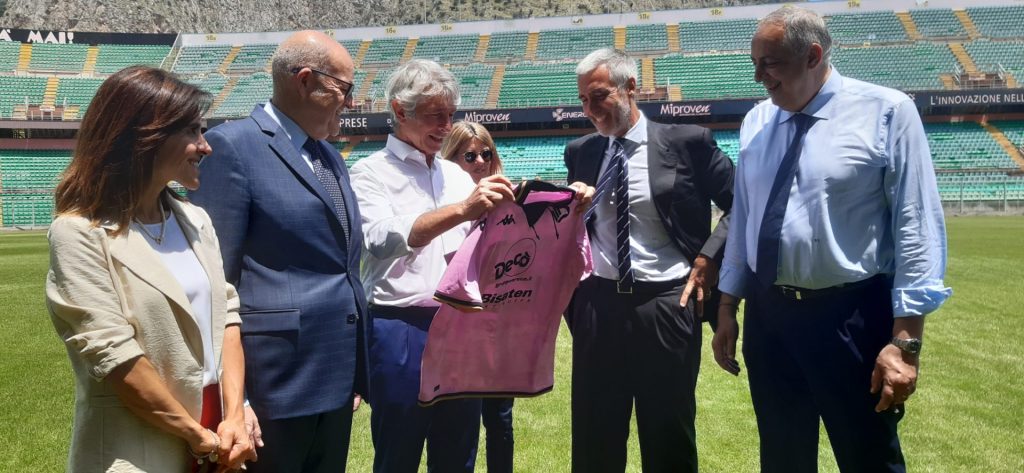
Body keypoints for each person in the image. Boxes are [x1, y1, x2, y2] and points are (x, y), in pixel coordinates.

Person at [711, 6, 952, 473]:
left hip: (850, 316)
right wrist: (727, 306)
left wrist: (906, 342)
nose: (758, 77)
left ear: (813, 55)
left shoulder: (887, 111)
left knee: (868, 457)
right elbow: (744, 220)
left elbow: (916, 226)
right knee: (782, 457)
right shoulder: (757, 121)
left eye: (770, 63)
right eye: (755, 63)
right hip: (769, 318)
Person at [45, 66, 256, 472]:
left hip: (218, 434)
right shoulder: (78, 234)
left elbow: (227, 316)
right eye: (192, 131)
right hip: (136, 449)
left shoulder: (196, 220)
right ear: (145, 136)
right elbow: (114, 356)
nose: (206, 146)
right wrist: (198, 438)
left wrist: (234, 415)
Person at [189, 31, 369, 472]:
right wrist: (239, 400)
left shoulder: (330, 157)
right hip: (272, 388)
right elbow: (215, 280)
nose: (350, 102)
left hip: (333, 377)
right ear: (305, 81)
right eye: (344, 88)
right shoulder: (232, 147)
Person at [564, 48, 734, 473]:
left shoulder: (688, 142)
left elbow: (742, 205)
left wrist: (709, 257)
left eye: (599, 96)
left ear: (630, 88)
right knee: (594, 436)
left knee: (668, 435)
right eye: (583, 100)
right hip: (598, 305)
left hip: (666, 303)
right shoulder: (581, 152)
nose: (590, 109)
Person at [439, 120, 513, 473]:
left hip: (498, 326)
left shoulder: (509, 202)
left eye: (486, 153)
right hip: (456, 325)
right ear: (452, 158)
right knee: (458, 428)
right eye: (470, 156)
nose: (480, 161)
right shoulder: (441, 207)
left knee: (501, 421)